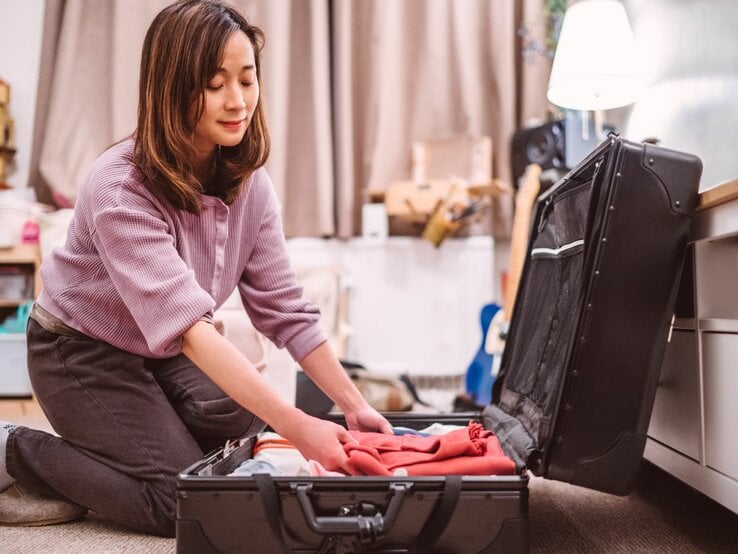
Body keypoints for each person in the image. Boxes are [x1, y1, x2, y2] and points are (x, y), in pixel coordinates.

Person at [0, 0, 391, 537]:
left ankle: (111, 461)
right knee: (184, 501)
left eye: (247, 80)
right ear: (173, 87)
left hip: (156, 350)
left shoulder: (251, 182)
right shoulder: (120, 187)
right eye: (214, 84)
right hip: (80, 351)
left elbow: (287, 313)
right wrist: (300, 428)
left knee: (242, 426)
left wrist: (353, 406)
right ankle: (16, 450)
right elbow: (189, 331)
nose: (238, 101)